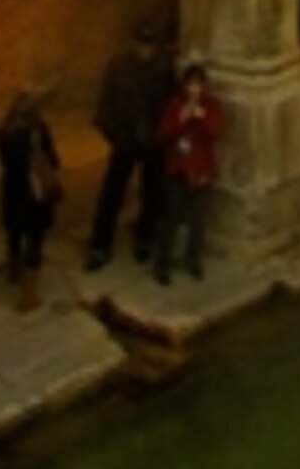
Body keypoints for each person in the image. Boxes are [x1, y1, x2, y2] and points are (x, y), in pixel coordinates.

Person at [85, 18, 176, 268]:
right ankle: (99, 245)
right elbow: (106, 103)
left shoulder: (163, 68)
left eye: (150, 45)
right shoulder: (119, 66)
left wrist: (162, 134)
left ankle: (144, 239)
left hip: (153, 140)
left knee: (152, 193)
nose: (145, 50)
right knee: (112, 193)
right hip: (125, 138)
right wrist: (115, 134)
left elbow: (170, 103)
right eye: (141, 44)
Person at [151, 62, 223, 284]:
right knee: (172, 219)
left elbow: (215, 132)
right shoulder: (174, 106)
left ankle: (193, 259)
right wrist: (181, 118)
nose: (194, 90)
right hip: (178, 169)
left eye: (198, 85)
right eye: (190, 85)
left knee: (197, 221)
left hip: (200, 170)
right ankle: (163, 263)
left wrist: (200, 117)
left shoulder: (210, 106)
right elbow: (163, 134)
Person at [0, 88, 61, 283]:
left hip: (12, 190)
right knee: (35, 237)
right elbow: (53, 160)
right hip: (34, 192)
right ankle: (29, 291)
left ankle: (13, 271)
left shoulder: (5, 131)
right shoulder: (37, 130)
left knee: (14, 235)